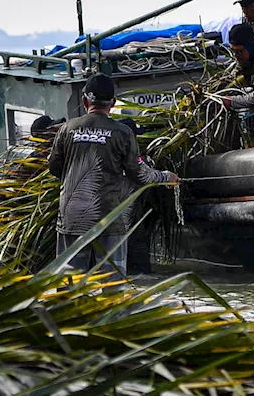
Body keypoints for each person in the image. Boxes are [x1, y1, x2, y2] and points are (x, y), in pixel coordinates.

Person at [47, 73, 178, 276]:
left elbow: (54, 168)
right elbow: (139, 175)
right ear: (113, 103)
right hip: (108, 217)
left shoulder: (66, 129)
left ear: (84, 101)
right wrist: (164, 177)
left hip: (72, 216)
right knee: (112, 283)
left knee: (68, 283)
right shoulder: (122, 133)